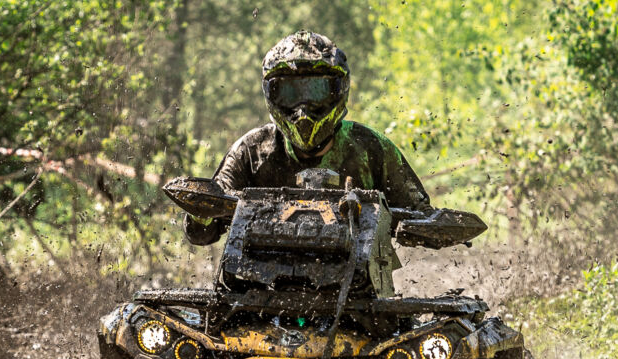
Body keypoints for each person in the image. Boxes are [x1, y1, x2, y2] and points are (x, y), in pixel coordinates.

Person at [185, 31, 434, 245]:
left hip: (355, 282)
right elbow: (201, 231)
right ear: (271, 93)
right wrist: (201, 211)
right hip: (251, 280)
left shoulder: (371, 148)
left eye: (317, 90)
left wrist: (432, 228)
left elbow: (422, 216)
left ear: (339, 89)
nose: (303, 109)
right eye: (290, 93)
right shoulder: (252, 150)